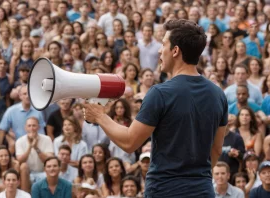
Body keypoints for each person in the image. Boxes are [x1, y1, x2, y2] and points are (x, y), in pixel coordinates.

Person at [83, 19, 228, 197]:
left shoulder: (160, 93)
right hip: (203, 190)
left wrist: (99, 116)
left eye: (163, 44)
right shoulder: (218, 94)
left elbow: (130, 142)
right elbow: (216, 150)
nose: (159, 50)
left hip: (164, 191)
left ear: (175, 51)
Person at [15, 117, 54, 184]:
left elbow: (49, 160)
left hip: (43, 172)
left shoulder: (47, 139)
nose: (31, 128)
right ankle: (25, 194)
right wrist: (30, 147)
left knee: (51, 166)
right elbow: (20, 160)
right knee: (23, 166)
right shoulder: (19, 141)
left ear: (38, 127)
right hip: (27, 173)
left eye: (34, 125)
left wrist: (36, 148)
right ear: (25, 128)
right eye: (29, 126)